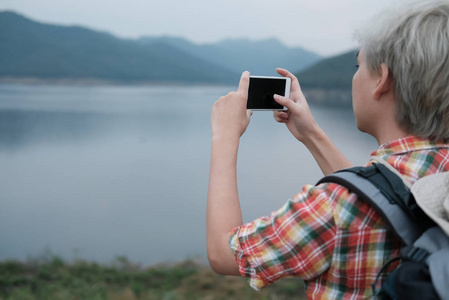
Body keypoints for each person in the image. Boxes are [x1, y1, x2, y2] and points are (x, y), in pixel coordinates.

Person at [206, 0, 449, 298]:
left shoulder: (333, 209)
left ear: (382, 80)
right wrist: (312, 134)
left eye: (359, 65)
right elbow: (382, 196)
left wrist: (224, 137)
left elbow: (224, 253)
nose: (355, 76)